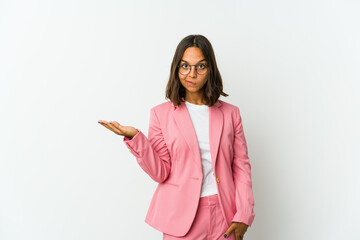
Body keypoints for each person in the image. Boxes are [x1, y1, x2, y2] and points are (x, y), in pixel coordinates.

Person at [98, 34, 255, 240]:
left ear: (210, 69)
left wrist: (244, 215)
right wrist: (136, 138)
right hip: (181, 218)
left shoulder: (230, 113)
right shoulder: (160, 114)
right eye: (185, 66)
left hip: (224, 215)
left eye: (200, 66)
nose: (192, 74)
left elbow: (241, 167)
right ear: (177, 68)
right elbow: (161, 173)